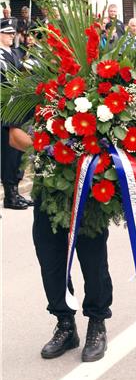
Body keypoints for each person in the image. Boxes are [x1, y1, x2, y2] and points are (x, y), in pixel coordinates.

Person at [8, 125, 112, 362]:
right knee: (51, 260)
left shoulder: (93, 86)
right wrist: (55, 154)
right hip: (49, 187)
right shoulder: (28, 89)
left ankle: (97, 323)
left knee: (94, 261)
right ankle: (65, 325)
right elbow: (15, 137)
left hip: (89, 186)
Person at [0, 19, 32, 210]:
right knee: (9, 152)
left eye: (13, 33)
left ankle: (16, 191)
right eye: (8, 33)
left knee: (19, 151)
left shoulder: (14, 53)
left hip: (18, 108)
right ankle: (10, 195)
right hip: (6, 109)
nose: (12, 36)